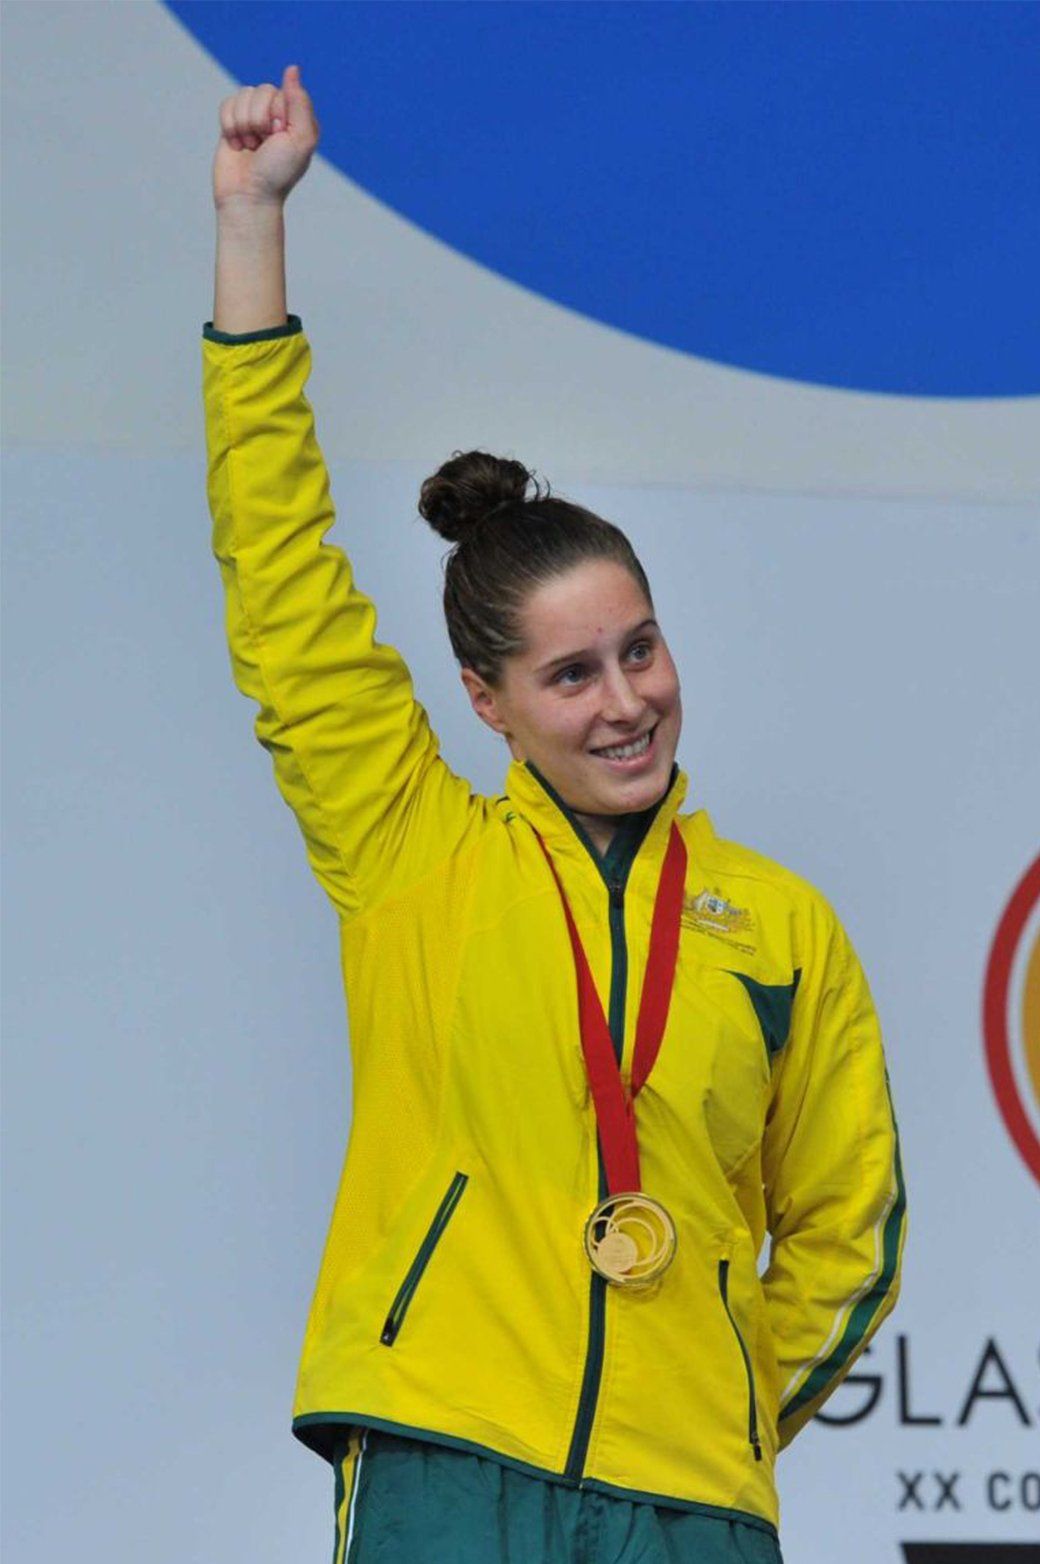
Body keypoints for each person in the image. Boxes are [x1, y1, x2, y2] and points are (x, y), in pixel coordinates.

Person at [204, 64, 907, 1564]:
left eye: (640, 648)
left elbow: (850, 1229)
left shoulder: (782, 930)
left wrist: (716, 1397)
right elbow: (283, 590)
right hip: (450, 1458)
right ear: (488, 700)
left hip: (692, 1503)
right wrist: (252, 236)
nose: (624, 701)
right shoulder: (414, 853)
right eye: (572, 673)